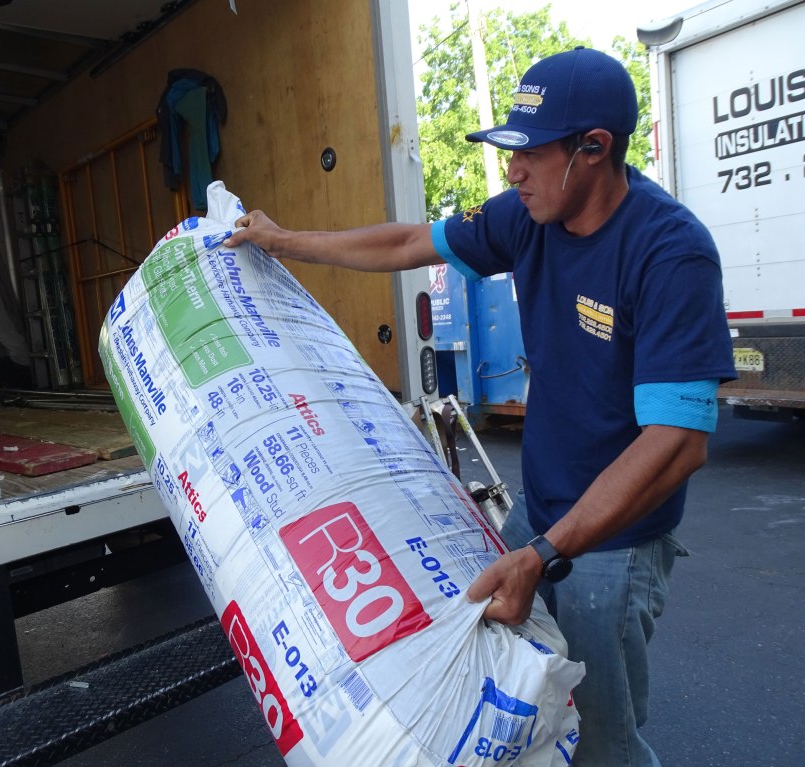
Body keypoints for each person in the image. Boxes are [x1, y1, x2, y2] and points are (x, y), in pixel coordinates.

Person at [224, 46, 736, 766]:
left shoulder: (670, 253)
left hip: (613, 546)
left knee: (601, 740)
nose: (512, 171)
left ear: (594, 148)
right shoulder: (527, 218)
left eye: (531, 153)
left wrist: (544, 554)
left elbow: (677, 443)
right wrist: (283, 243)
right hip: (539, 515)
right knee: (524, 703)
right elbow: (409, 241)